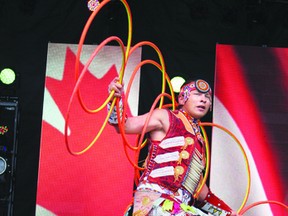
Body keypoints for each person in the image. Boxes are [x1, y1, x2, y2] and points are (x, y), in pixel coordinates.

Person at [107, 77, 241, 216]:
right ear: (182, 98)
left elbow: (202, 194)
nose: (203, 99)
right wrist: (114, 98)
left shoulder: (199, 144)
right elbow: (123, 125)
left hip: (179, 208)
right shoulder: (165, 117)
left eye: (207, 97)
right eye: (197, 94)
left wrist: (228, 212)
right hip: (154, 202)